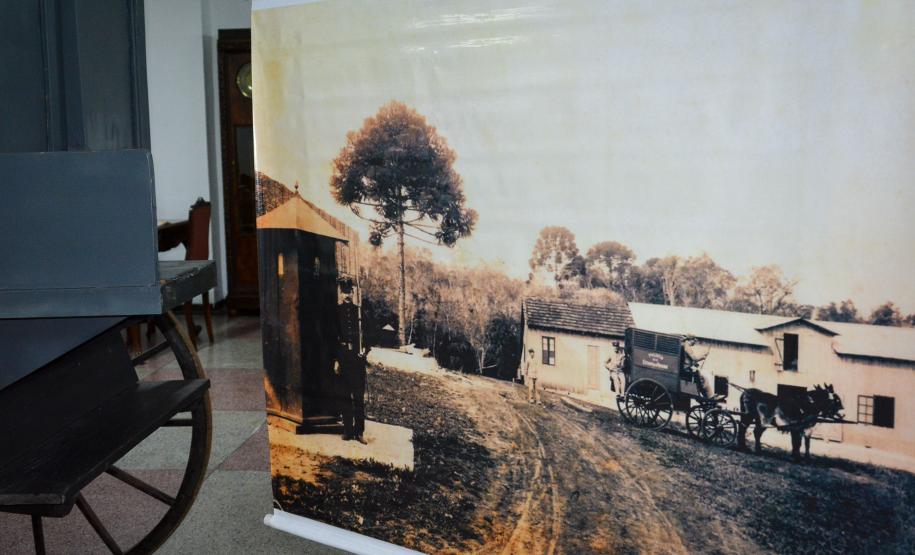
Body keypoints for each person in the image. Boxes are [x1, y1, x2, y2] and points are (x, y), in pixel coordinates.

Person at [335, 290, 368, 444]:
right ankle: (347, 430)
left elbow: (369, 333)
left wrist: (365, 349)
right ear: (340, 293)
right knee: (344, 394)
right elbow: (333, 337)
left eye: (349, 292)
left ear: (353, 293)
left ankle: (359, 431)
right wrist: (336, 360)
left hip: (357, 358)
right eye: (344, 292)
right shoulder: (337, 311)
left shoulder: (359, 312)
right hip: (343, 358)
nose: (347, 295)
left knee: (359, 396)